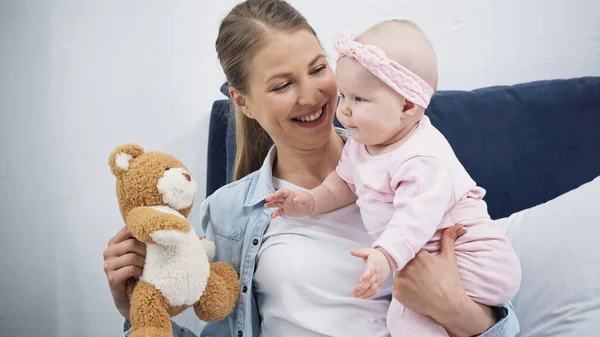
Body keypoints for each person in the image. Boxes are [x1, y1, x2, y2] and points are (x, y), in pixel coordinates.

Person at [103, 0, 520, 336]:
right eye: (283, 85)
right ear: (242, 101)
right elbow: (214, 326)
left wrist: (454, 310)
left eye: (319, 69)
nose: (312, 95)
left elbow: (503, 316)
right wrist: (135, 308)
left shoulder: (415, 168)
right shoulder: (229, 214)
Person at [264, 20, 522, 337]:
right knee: (410, 319)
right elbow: (343, 184)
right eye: (344, 96)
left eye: (358, 100)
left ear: (407, 105)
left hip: (476, 260)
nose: (343, 110)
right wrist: (310, 201)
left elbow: (414, 218)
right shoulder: (364, 144)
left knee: (404, 319)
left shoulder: (422, 157)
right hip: (424, 260)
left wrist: (385, 256)